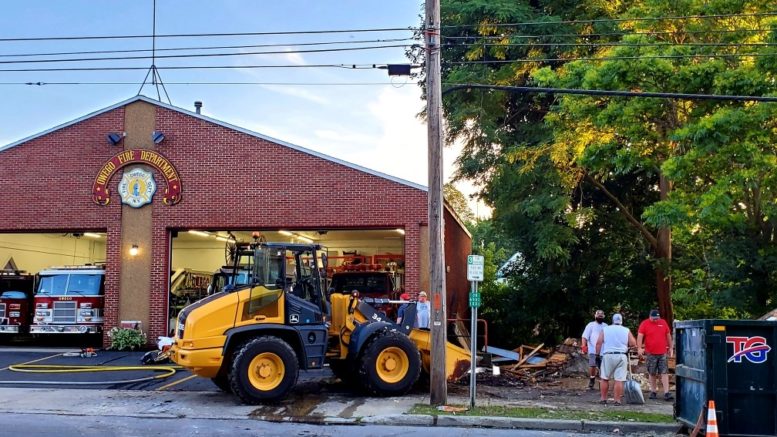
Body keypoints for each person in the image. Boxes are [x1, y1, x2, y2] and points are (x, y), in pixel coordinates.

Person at [596, 313, 636, 406]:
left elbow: (598, 343)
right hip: (621, 355)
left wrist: (597, 355)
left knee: (604, 378)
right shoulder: (626, 330)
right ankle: (617, 400)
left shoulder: (605, 329)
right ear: (621, 321)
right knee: (619, 379)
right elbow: (633, 343)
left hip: (608, 355)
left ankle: (603, 398)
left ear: (612, 321)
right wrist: (628, 347)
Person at [638, 309, 674, 401]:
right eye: (654, 318)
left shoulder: (663, 322)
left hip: (662, 352)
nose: (655, 320)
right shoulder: (644, 324)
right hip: (650, 352)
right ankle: (653, 391)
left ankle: (666, 392)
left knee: (664, 372)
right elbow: (640, 336)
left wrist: (670, 347)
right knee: (652, 372)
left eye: (657, 318)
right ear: (650, 317)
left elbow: (668, 335)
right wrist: (639, 348)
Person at [581, 310, 607, 389]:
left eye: (601, 316)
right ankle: (592, 379)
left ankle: (602, 383)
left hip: (603, 351)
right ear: (595, 316)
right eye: (598, 316)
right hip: (593, 349)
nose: (600, 317)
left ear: (603, 317)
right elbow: (584, 337)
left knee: (603, 367)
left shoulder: (606, 326)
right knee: (592, 365)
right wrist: (584, 347)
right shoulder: (590, 325)